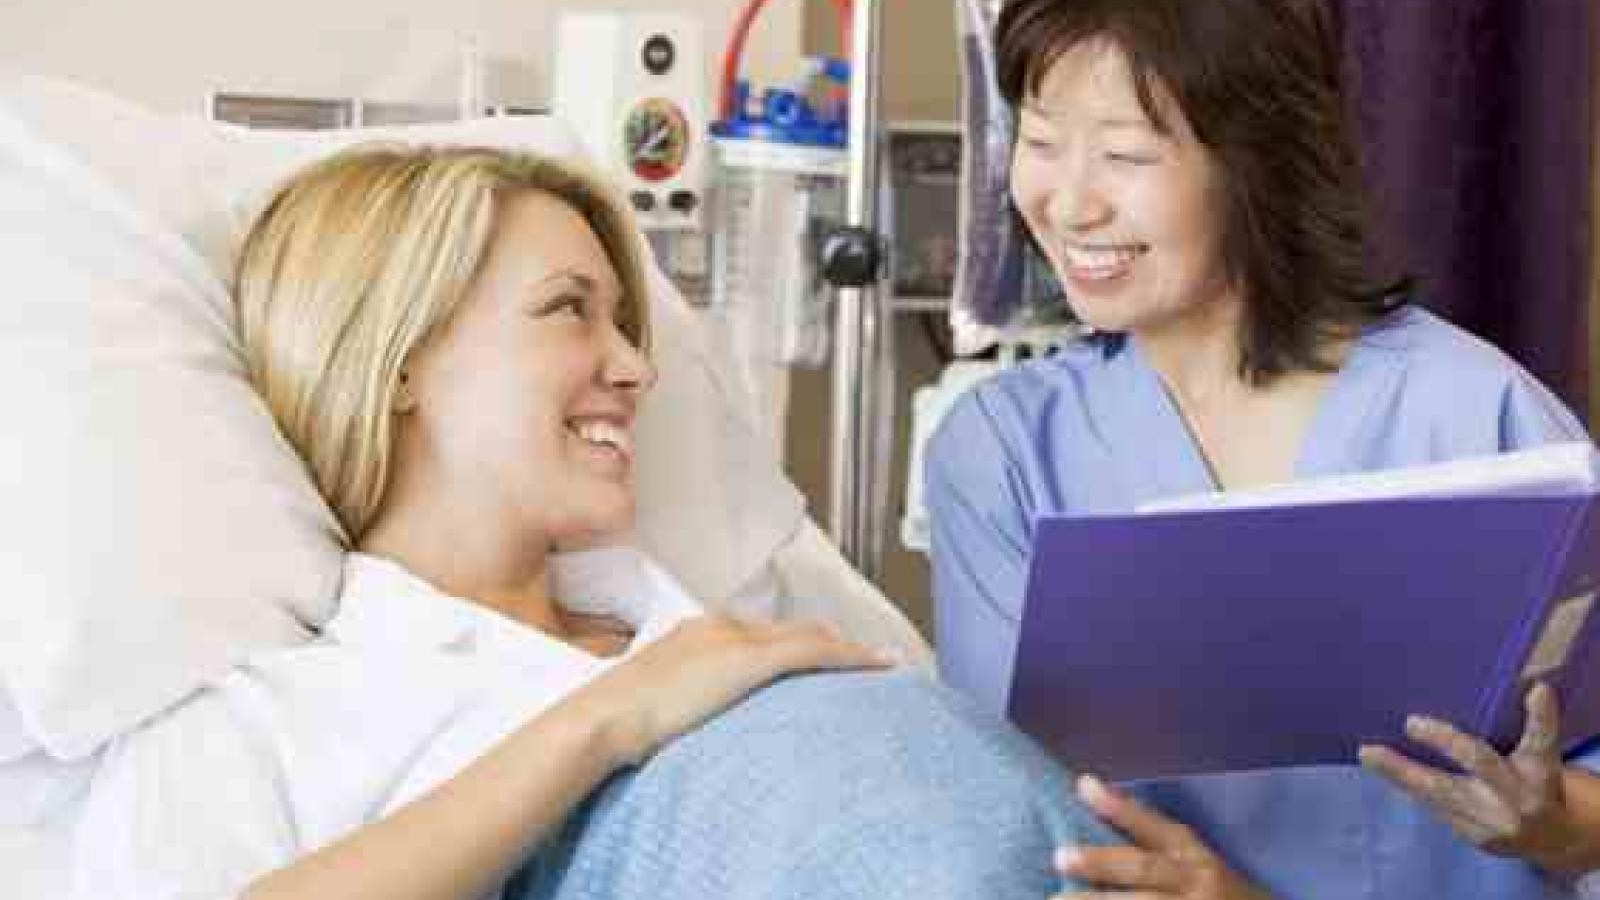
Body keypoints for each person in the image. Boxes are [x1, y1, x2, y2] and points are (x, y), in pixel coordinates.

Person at [61, 145, 1122, 900]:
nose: (635, 368)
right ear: (397, 360)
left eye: (626, 323)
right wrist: (607, 721)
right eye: (569, 309)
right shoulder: (273, 723)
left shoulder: (740, 626)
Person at [925, 0, 1600, 897]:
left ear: (1259, 161)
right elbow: (1011, 814)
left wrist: (1556, 825)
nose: (1071, 203)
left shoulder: (1481, 417)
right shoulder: (1004, 454)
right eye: (1041, 141)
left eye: (1126, 155)